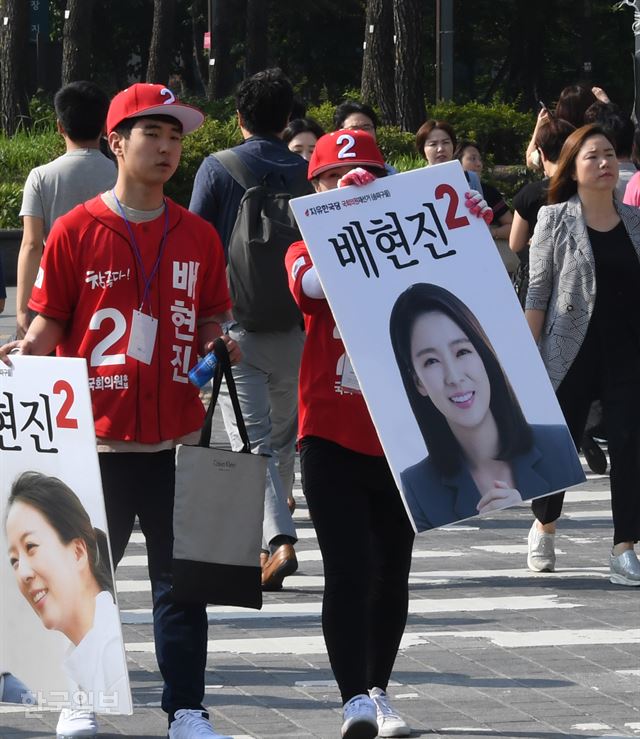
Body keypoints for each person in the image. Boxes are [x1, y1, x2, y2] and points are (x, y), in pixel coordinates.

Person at [0, 83, 239, 739]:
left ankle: (186, 708)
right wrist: (19, 359)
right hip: (93, 444)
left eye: (177, 136)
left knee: (181, 585)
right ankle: (77, 697)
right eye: (152, 134)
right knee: (81, 580)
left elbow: (216, 314)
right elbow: (48, 327)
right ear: (116, 142)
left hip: (178, 440)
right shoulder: (76, 230)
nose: (167, 148)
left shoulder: (198, 235)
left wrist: (223, 341)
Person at [285, 130, 493, 739]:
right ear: (314, 186)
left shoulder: (411, 245)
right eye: (334, 179)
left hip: (403, 434)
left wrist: (468, 231)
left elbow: (470, 288)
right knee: (347, 568)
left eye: (371, 176)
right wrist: (345, 218)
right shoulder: (301, 248)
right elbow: (312, 286)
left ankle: (379, 689)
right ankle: (352, 697)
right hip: (328, 433)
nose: (353, 185)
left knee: (391, 570)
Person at [190, 68, 308, 591]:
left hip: (236, 331)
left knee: (252, 441)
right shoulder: (308, 172)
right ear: (288, 120)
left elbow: (194, 246)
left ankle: (278, 541)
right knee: (283, 438)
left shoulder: (217, 169)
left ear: (238, 118)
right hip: (300, 328)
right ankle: (270, 541)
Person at [525, 124, 640, 586]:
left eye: (610, 154)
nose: (605, 163)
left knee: (631, 448)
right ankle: (545, 523)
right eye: (592, 156)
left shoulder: (634, 221)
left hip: (627, 353)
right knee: (560, 449)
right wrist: (524, 356)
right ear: (572, 168)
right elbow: (538, 291)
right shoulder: (554, 219)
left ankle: (625, 547)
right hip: (569, 351)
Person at [389, 283, 583, 532]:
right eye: (431, 361)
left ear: (483, 355)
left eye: (461, 352)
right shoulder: (418, 489)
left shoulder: (558, 445)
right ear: (418, 382)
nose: (454, 377)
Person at [5, 472, 128, 713]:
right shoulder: (83, 654)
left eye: (31, 547)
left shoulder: (110, 652)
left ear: (78, 552)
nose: (23, 573)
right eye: (14, 561)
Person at [16, 81, 116, 339]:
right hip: (109, 290)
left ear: (60, 126)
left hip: (51, 296)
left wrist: (22, 309)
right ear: (105, 126)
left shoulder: (40, 177)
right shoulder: (121, 175)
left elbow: (31, 245)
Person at [509, 118, 576, 307]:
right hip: (578, 278)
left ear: (541, 153)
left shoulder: (529, 194)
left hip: (539, 279)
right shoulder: (585, 189)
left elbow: (515, 244)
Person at [454, 140, 515, 274]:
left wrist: (490, 233)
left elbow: (512, 227)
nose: (479, 164)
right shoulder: (437, 193)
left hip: (486, 266)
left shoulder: (488, 192)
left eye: (479, 159)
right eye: (472, 159)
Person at [415, 120, 482, 192]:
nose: (440, 149)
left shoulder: (470, 178)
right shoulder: (415, 182)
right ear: (423, 149)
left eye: (446, 142)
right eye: (433, 144)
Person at [333, 101, 397, 173]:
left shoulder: (390, 172)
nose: (361, 134)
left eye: (366, 128)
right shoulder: (330, 172)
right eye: (354, 129)